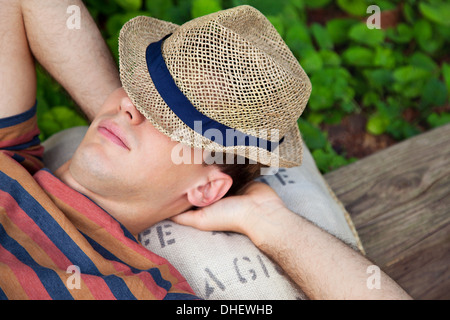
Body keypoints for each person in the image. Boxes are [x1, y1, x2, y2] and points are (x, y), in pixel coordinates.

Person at [0, 0, 411, 300]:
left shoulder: (140, 288)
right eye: (140, 89)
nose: (129, 106)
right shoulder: (12, 155)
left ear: (206, 190)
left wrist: (271, 223)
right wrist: (116, 116)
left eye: (170, 120)